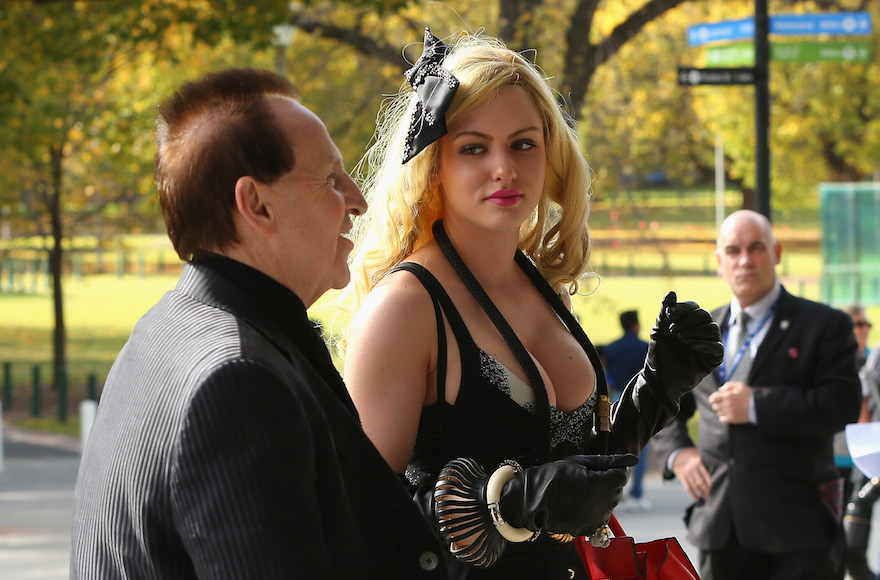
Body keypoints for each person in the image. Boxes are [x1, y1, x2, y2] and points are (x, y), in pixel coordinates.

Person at [341, 29, 723, 579]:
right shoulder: (406, 307)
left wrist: (657, 389)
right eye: (474, 147)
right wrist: (503, 508)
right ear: (432, 164)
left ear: (551, 152)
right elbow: (360, 520)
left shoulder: (545, 285)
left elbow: (573, 484)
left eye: (523, 143)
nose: (505, 169)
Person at [70, 68, 447, 579]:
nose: (357, 200)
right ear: (256, 205)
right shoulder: (240, 382)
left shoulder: (166, 330)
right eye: (330, 179)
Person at [653, 209, 863, 580]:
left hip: (800, 530)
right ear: (719, 262)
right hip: (719, 527)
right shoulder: (700, 331)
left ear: (777, 252)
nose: (745, 260)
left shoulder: (825, 325)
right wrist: (677, 455)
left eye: (756, 248)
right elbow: (664, 404)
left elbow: (841, 404)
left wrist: (756, 406)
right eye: (733, 251)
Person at [604, 310, 652, 512]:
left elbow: (606, 374)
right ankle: (636, 492)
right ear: (635, 325)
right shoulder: (645, 347)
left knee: (614, 445)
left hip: (616, 396)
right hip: (639, 397)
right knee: (641, 445)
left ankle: (614, 490)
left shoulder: (611, 348)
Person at [843, 306, 878, 580]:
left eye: (867, 324)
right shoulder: (834, 358)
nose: (864, 329)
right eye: (858, 324)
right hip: (841, 456)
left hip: (864, 454)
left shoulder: (870, 357)